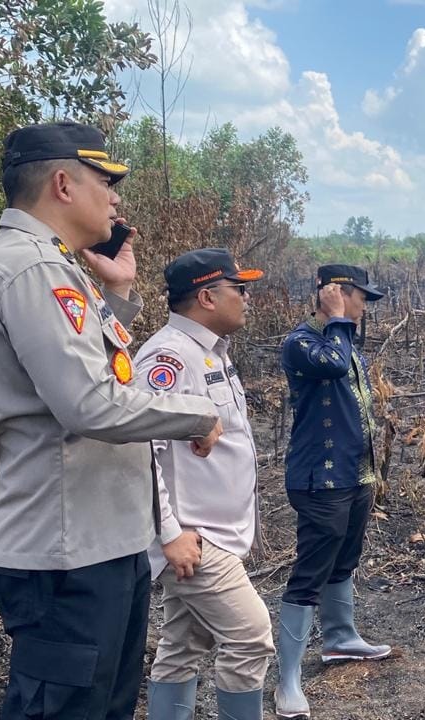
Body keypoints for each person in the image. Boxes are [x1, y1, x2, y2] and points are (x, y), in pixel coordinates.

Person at [0, 122, 224, 720]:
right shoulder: (31, 270)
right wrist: (196, 414)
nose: (114, 198)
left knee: (102, 707)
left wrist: (120, 296)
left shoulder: (55, 267)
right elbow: (90, 403)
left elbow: (95, 372)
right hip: (65, 551)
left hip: (99, 539)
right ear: (62, 183)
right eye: (104, 182)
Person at [136, 249, 273, 720]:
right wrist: (169, 533)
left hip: (213, 533)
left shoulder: (209, 352)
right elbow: (139, 452)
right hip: (196, 537)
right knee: (252, 639)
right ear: (208, 296)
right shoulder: (169, 357)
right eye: (240, 289)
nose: (247, 298)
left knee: (183, 644)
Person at [274, 264, 393, 719]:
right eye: (360, 297)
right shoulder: (304, 342)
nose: (365, 308)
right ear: (337, 295)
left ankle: (340, 639)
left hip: (354, 474)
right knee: (310, 572)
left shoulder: (342, 338)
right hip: (319, 479)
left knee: (345, 558)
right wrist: (338, 318)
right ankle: (287, 681)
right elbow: (334, 364)